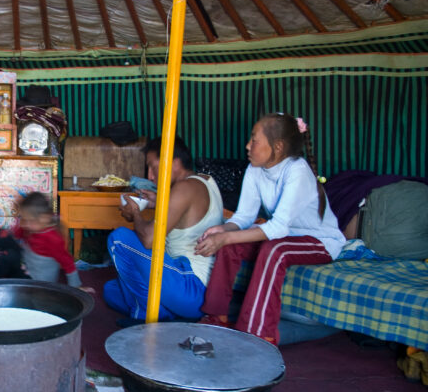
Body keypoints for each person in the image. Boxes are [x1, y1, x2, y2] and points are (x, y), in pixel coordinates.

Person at [195, 113, 346, 344]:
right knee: (231, 243)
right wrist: (223, 231)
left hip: (319, 241)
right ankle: (217, 316)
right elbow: (245, 216)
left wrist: (227, 237)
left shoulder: (297, 171)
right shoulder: (255, 169)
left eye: (254, 140)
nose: (247, 146)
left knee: (276, 251)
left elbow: (277, 228)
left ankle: (256, 332)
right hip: (284, 236)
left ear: (278, 146)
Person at [104, 137, 224, 325]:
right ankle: (167, 312)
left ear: (174, 162)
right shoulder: (204, 181)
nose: (150, 176)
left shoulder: (184, 188)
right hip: (204, 291)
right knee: (110, 289)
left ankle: (146, 316)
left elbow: (149, 239)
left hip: (190, 286)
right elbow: (184, 211)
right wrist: (158, 200)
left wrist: (135, 213)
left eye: (153, 167)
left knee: (119, 239)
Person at [0, 192, 94, 293]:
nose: (25, 224)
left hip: (35, 280)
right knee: (2, 234)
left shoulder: (53, 239)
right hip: (25, 263)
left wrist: (76, 286)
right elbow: (14, 235)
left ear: (45, 218)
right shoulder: (32, 226)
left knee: (10, 256)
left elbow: (68, 262)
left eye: (30, 221)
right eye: (24, 219)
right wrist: (4, 237)